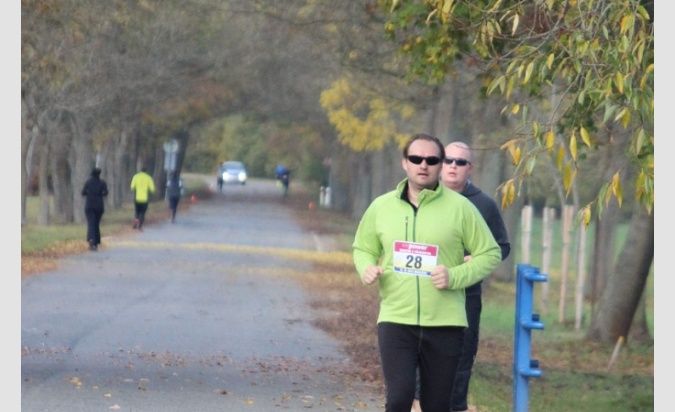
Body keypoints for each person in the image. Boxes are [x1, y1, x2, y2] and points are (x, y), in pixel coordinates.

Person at [352, 133, 502, 412]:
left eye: (432, 160)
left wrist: (455, 275)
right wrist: (366, 268)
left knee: (436, 405)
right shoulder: (382, 207)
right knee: (398, 399)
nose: (424, 165)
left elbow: (490, 252)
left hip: (445, 323)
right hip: (396, 318)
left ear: (440, 165)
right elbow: (362, 247)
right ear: (404, 163)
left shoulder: (461, 208)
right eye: (416, 159)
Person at [411, 141, 511, 412]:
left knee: (461, 354)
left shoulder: (484, 205)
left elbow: (501, 246)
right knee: (422, 350)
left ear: (470, 169)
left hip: (466, 293)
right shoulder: (421, 197)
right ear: (440, 165)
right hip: (426, 291)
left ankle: (455, 406)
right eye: (448, 161)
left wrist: (474, 259)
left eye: (460, 162)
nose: (453, 166)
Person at [81, 167, 108, 251]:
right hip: (99, 206)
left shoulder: (88, 182)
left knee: (91, 223)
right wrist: (100, 193)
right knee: (96, 224)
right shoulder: (102, 183)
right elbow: (106, 192)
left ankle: (91, 241)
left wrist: (89, 193)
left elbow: (83, 192)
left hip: (89, 206)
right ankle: (96, 241)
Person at [130, 167, 156, 231]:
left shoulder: (135, 177)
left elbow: (132, 187)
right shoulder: (148, 178)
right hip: (145, 198)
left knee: (137, 211)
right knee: (142, 212)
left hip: (137, 198)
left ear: (140, 171)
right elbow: (152, 189)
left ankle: (135, 223)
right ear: (146, 171)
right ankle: (140, 226)